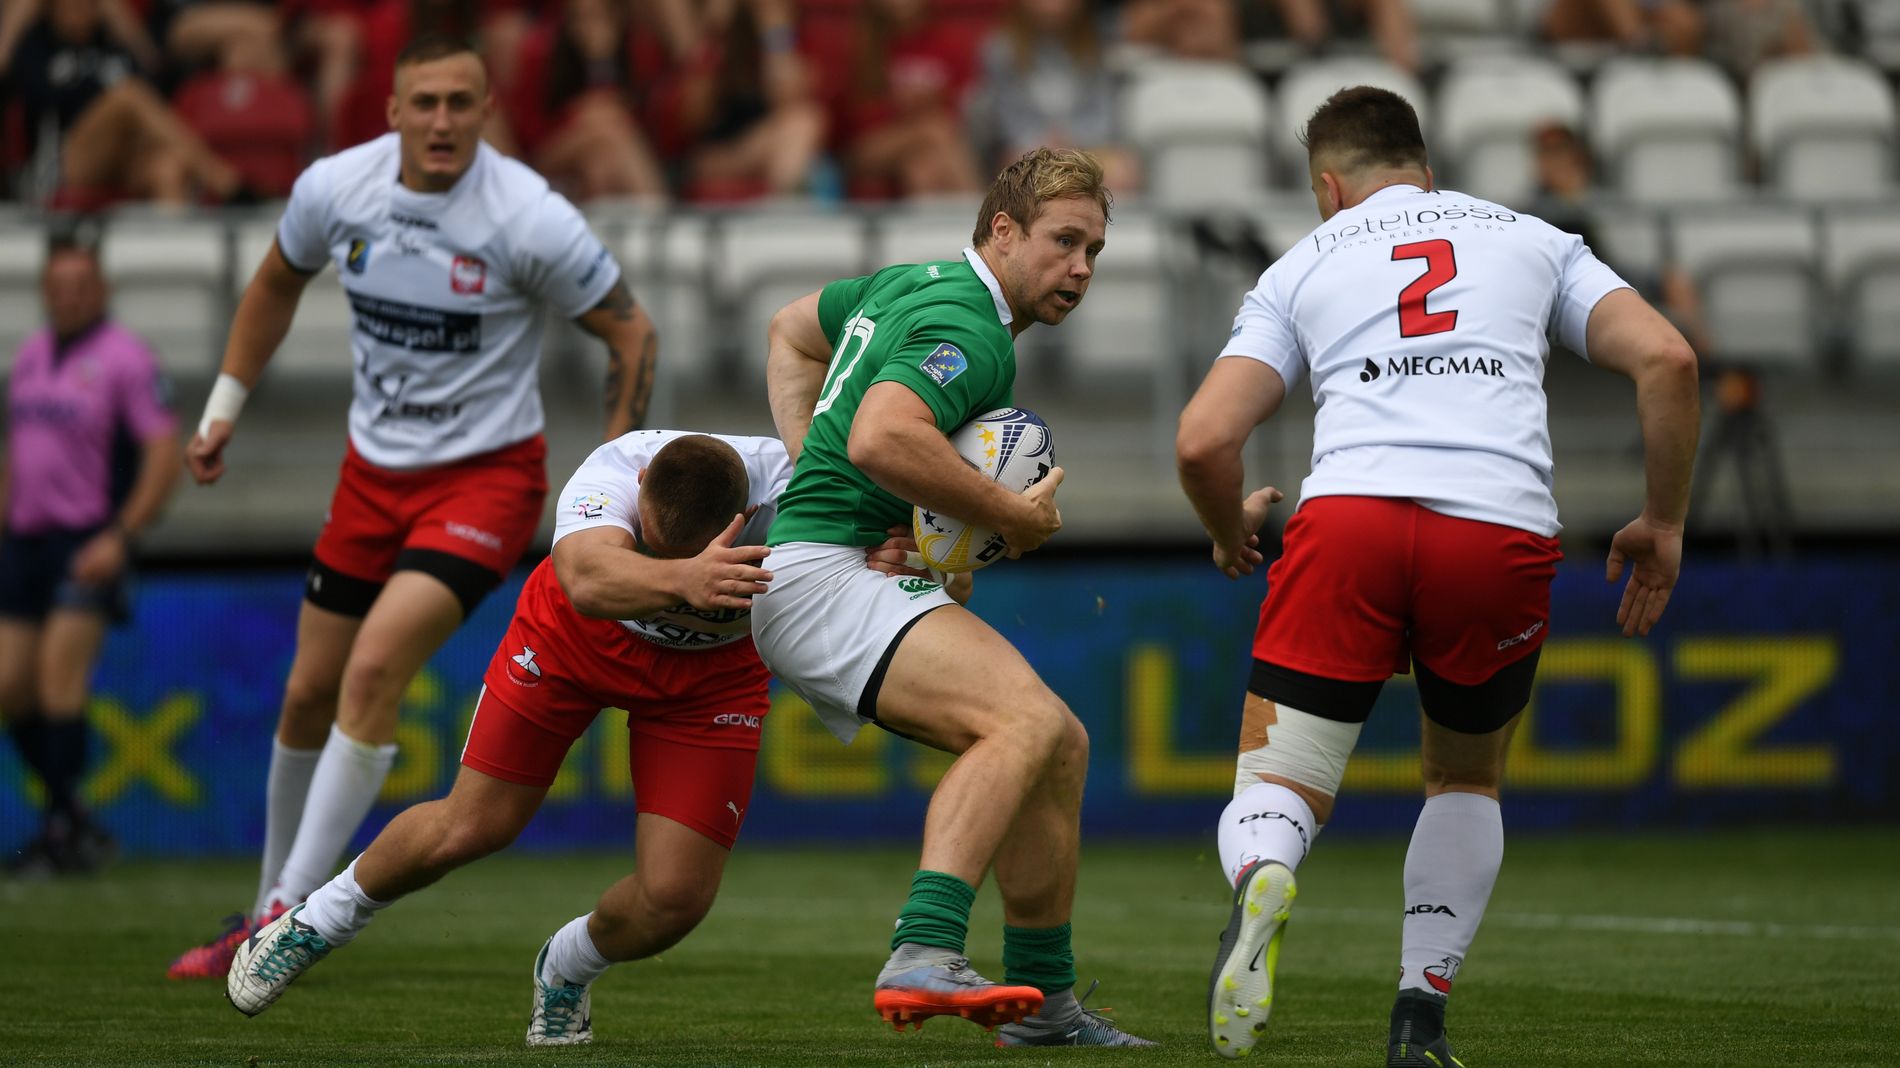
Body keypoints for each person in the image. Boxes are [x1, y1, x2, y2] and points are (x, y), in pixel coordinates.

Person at [1175, 87, 1699, 1064]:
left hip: (1348, 524)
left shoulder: (1303, 264)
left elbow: (1204, 439)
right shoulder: (1531, 239)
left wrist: (1226, 531)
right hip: (1495, 530)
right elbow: (1667, 358)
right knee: (1464, 775)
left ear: (1329, 186)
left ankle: (1263, 872)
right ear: (1425, 167)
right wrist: (1661, 519)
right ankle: (1418, 1018)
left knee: (1281, 778)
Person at [167, 35, 657, 979]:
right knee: (309, 688)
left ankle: (281, 921)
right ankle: (270, 896)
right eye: (424, 102)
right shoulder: (334, 189)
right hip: (370, 476)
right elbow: (273, 281)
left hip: (486, 482)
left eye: (461, 103)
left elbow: (630, 330)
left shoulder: (528, 216)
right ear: (389, 110)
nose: (441, 121)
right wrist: (222, 409)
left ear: (486, 112)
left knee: (373, 668)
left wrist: (614, 472)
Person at [222, 430, 969, 1041]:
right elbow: (583, 579)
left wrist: (896, 558)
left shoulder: (806, 490)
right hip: (570, 641)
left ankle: (567, 965)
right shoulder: (613, 467)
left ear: (744, 513)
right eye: (652, 542)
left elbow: (921, 562)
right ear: (639, 492)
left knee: (676, 898)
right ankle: (311, 923)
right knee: (473, 825)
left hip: (709, 680)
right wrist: (686, 581)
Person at [751, 147, 1151, 1048]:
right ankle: (923, 947)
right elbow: (886, 436)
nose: (1081, 267)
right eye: (1063, 241)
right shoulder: (969, 326)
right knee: (1021, 724)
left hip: (827, 566)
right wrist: (1015, 515)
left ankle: (1045, 1005)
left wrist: (817, 452)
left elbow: (788, 328)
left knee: (1059, 745)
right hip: (821, 579)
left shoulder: (911, 283)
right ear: (1003, 231)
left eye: (1093, 249)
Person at [1, 223, 181, 875]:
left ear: (101, 287)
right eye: (58, 285)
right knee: (10, 687)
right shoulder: (30, 356)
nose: (69, 295)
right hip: (25, 541)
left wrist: (121, 535)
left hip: (85, 539)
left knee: (58, 680)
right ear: (45, 290)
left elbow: (163, 453)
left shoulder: (127, 359)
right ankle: (72, 814)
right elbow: (17, 452)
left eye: (81, 283)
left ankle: (57, 832)